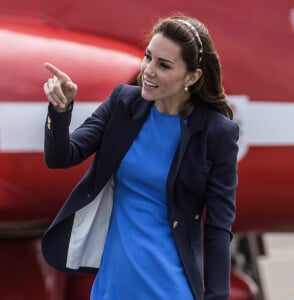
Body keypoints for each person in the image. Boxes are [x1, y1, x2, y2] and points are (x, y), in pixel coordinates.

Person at [42, 13, 239, 300]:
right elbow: (62, 156)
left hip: (171, 289)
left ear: (192, 76)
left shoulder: (217, 133)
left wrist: (217, 297)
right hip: (112, 286)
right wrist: (60, 112)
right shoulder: (123, 103)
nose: (148, 70)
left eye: (164, 65)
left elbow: (219, 228)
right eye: (148, 57)